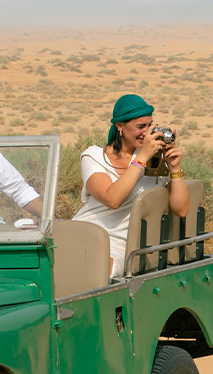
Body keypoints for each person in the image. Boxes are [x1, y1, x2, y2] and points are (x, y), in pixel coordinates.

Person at [73, 93, 190, 272]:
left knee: (97, 269)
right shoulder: (94, 157)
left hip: (123, 249)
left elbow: (181, 209)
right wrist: (142, 157)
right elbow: (112, 199)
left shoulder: (154, 159)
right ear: (120, 126)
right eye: (140, 126)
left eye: (150, 125)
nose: (146, 131)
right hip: (85, 235)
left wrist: (174, 169)